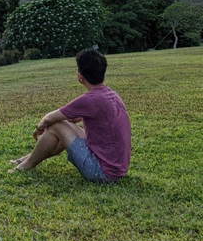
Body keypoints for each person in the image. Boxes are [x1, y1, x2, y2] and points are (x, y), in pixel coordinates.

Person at [8, 48, 131, 183]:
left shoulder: (90, 99)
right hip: (118, 170)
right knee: (65, 125)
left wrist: (38, 129)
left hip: (102, 172)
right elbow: (73, 118)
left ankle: (27, 165)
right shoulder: (111, 94)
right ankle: (28, 158)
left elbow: (49, 118)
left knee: (56, 125)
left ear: (80, 76)